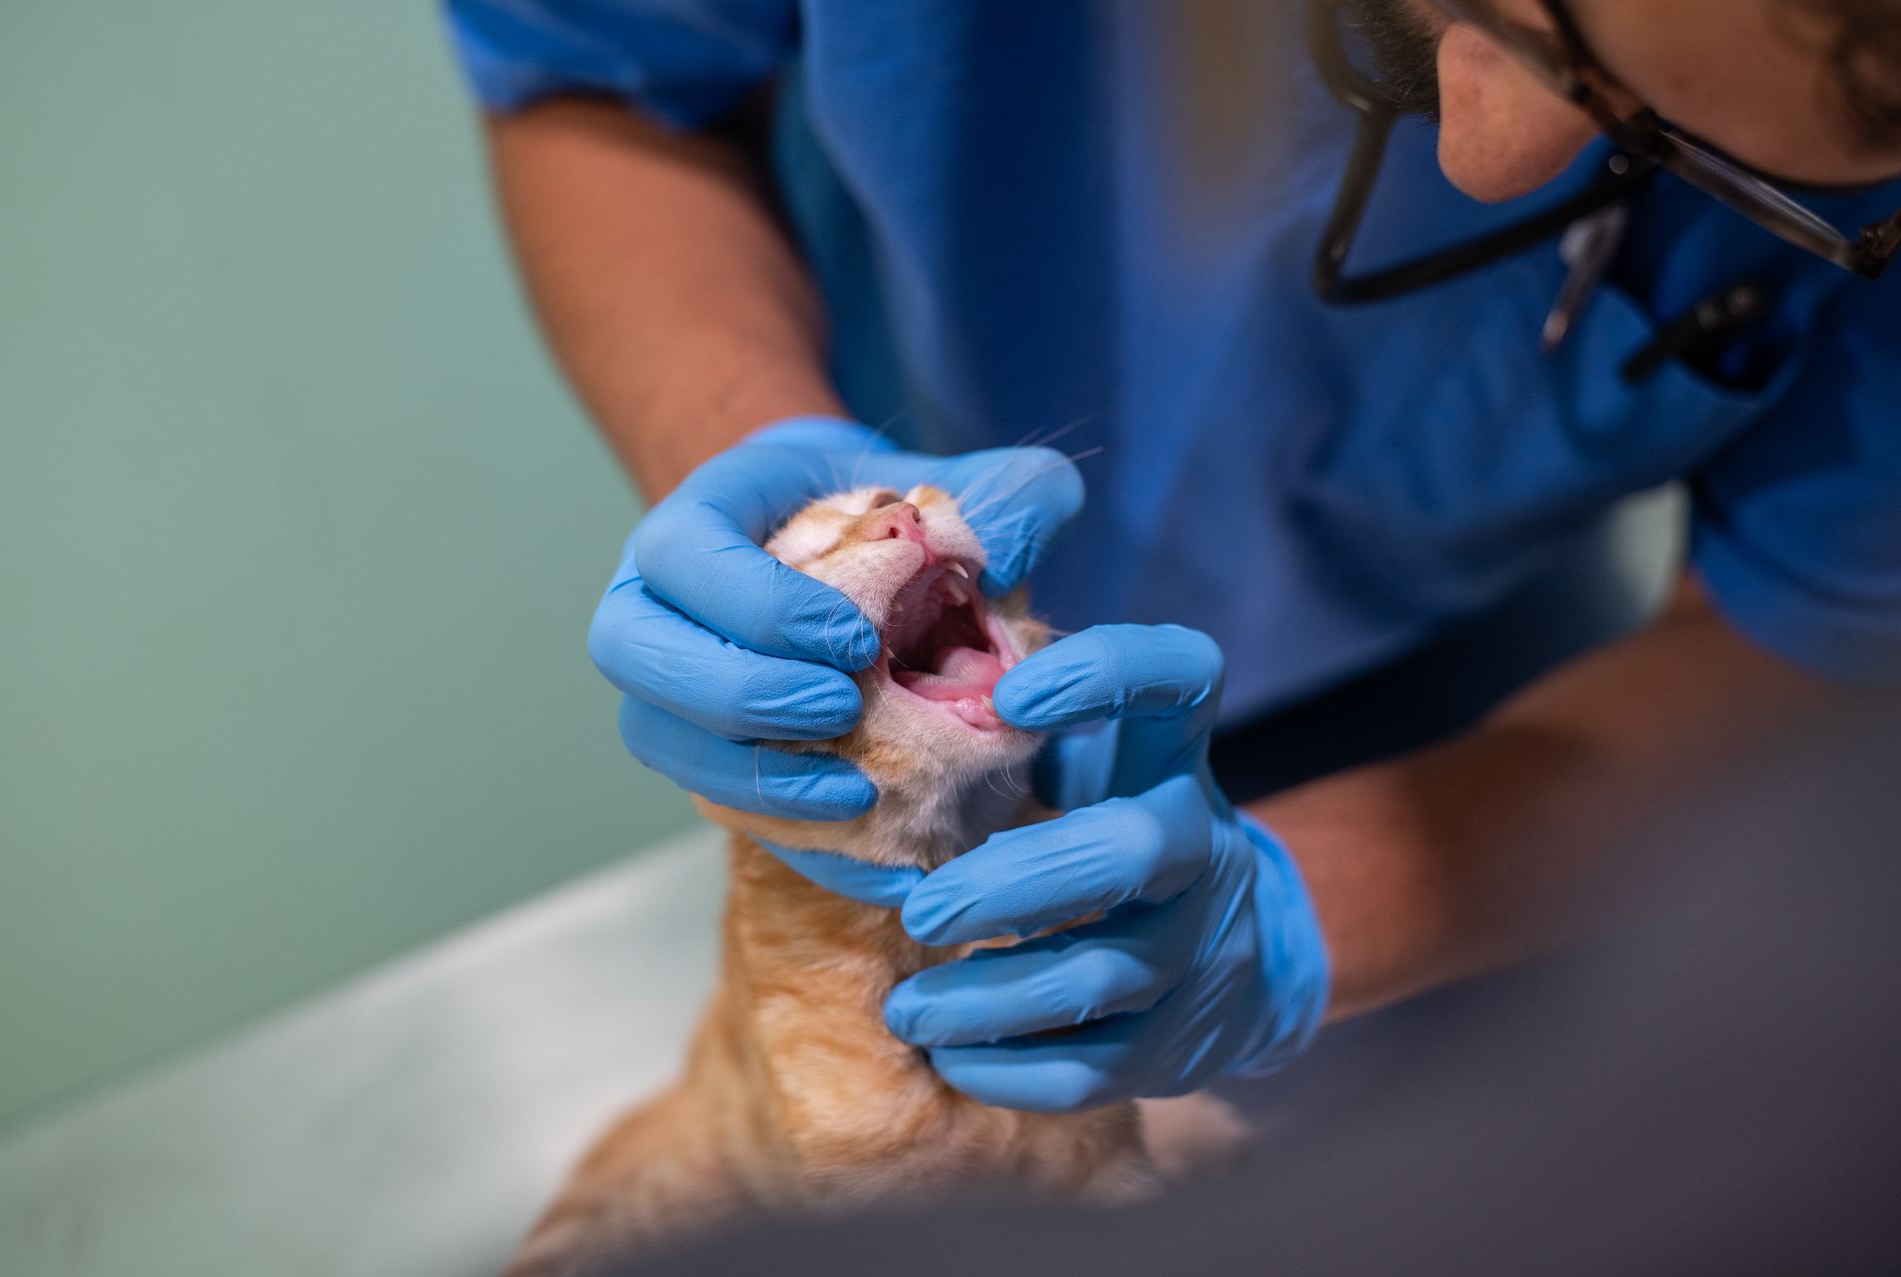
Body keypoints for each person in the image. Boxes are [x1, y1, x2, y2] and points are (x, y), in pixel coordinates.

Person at [444, 0, 1901, 1112]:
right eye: (1521, 18)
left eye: (1675, 150)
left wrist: (1304, 919)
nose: (1491, 159)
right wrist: (752, 453)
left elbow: (1815, 626)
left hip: (1484, 658)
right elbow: (604, 81)